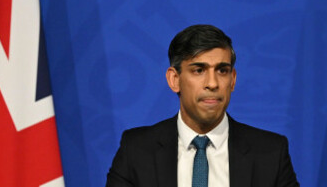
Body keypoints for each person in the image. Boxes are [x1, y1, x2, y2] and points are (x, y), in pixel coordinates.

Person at [106, 24, 299, 187]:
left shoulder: (271, 153)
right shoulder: (136, 150)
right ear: (174, 79)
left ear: (232, 80)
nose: (213, 83)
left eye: (222, 71)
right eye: (199, 70)